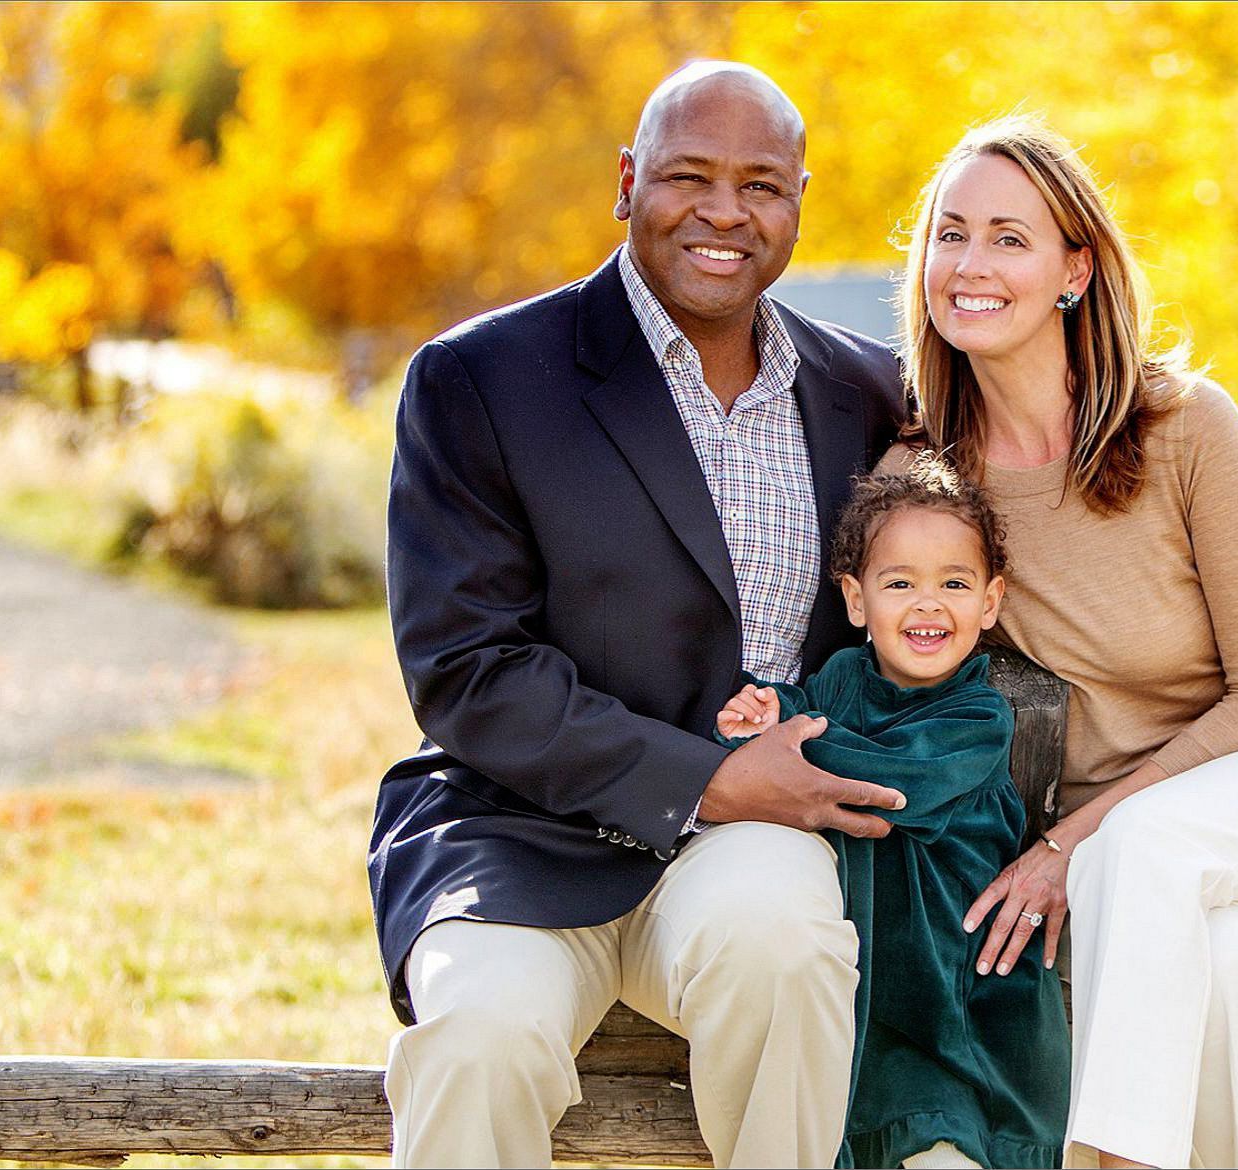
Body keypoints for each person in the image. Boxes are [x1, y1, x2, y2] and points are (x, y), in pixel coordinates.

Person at [368, 61, 910, 1167]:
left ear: (800, 201)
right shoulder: (480, 379)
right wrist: (703, 777)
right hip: (511, 830)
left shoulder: (869, 396)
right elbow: (467, 667)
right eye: (688, 177)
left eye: (762, 184)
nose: (724, 212)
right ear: (627, 183)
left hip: (753, 844)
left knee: (793, 955)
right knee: (478, 1043)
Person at [886, 117, 1238, 1168]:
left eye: (1008, 237)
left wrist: (1066, 850)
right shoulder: (928, 478)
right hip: (1136, 889)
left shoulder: (1184, 427)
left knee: (1147, 849)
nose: (970, 265)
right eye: (951, 236)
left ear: (1074, 269)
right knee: (1224, 972)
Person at [715, 455, 1071, 1169]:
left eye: (955, 584)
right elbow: (806, 709)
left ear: (991, 602)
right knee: (855, 1120)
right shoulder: (843, 679)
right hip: (872, 974)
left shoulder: (977, 715)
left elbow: (893, 783)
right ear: (856, 600)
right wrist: (768, 710)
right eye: (900, 583)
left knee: (945, 1132)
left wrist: (789, 749)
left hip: (956, 980)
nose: (928, 603)